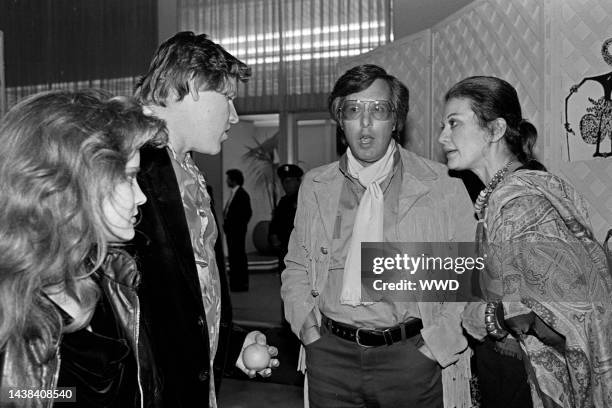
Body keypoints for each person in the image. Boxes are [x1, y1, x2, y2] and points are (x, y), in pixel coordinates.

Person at [280, 64, 476, 408]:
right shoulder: (316, 184)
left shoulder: (442, 185)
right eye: (354, 110)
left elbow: (466, 274)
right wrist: (309, 331)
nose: (366, 123)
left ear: (396, 119)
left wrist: (435, 347)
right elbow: (296, 265)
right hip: (331, 355)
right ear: (340, 120)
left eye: (379, 110)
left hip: (410, 358)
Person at [439, 76, 612, 407]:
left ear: (495, 129)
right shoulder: (504, 196)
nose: (442, 137)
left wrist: (490, 317)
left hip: (527, 380)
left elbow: (569, 311)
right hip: (511, 371)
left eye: (454, 123)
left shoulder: (521, 202)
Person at [131, 31, 278, 408]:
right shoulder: (126, 167)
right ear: (194, 84)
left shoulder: (192, 175)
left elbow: (190, 302)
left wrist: (229, 350)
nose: (233, 114)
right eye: (227, 98)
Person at [0, 89, 167, 407]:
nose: (142, 197)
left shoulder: (114, 279)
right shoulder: (12, 311)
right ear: (72, 184)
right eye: (129, 178)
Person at [269, 163, 304, 267]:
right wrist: (273, 235)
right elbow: (275, 222)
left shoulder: (305, 200)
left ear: (298, 181)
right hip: (284, 248)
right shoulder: (283, 201)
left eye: (289, 181)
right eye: (283, 182)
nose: (285, 185)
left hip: (300, 250)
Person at [223, 169, 252, 291]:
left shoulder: (242, 194)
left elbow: (247, 213)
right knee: (234, 257)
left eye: (228, 178)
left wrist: (237, 227)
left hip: (237, 232)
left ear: (234, 180)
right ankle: (235, 283)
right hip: (231, 231)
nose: (227, 181)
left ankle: (240, 284)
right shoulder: (234, 193)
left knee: (238, 257)